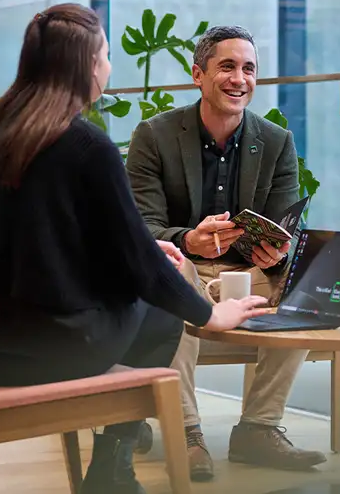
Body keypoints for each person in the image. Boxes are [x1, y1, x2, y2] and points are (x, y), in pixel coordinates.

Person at [0, 5, 269, 494]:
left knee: (149, 281)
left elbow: (45, 245)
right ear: (85, 65)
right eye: (105, 55)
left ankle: (113, 469)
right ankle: (112, 468)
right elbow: (142, 271)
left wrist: (145, 252)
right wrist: (211, 314)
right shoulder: (86, 146)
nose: (109, 66)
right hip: (51, 350)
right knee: (162, 309)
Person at [126, 25, 327, 481]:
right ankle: (188, 434)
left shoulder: (276, 142)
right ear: (198, 74)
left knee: (304, 283)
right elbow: (143, 228)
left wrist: (276, 255)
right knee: (173, 270)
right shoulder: (154, 135)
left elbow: (284, 230)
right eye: (227, 67)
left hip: (242, 278)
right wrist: (187, 241)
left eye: (249, 68)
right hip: (182, 271)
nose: (240, 78)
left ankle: (258, 428)